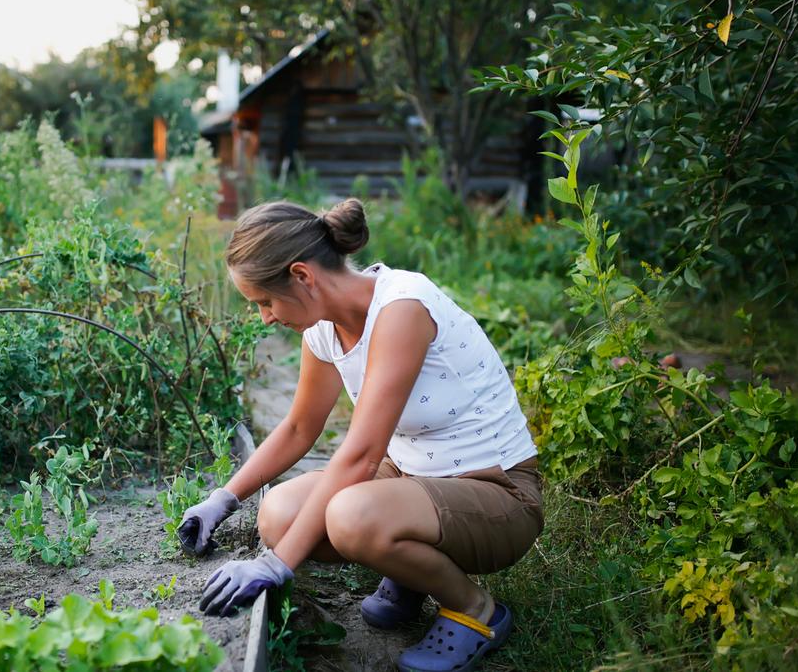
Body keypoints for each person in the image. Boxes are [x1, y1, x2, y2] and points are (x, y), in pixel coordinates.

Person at [179, 198, 544, 672]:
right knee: (279, 516)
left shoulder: (401, 306)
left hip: (498, 493)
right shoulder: (324, 331)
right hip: (413, 480)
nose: (265, 318)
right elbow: (297, 429)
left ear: (303, 276)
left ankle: (477, 611)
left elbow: (362, 455)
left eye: (265, 302)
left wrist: (277, 565)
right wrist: (223, 499)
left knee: (350, 517)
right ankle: (410, 573)